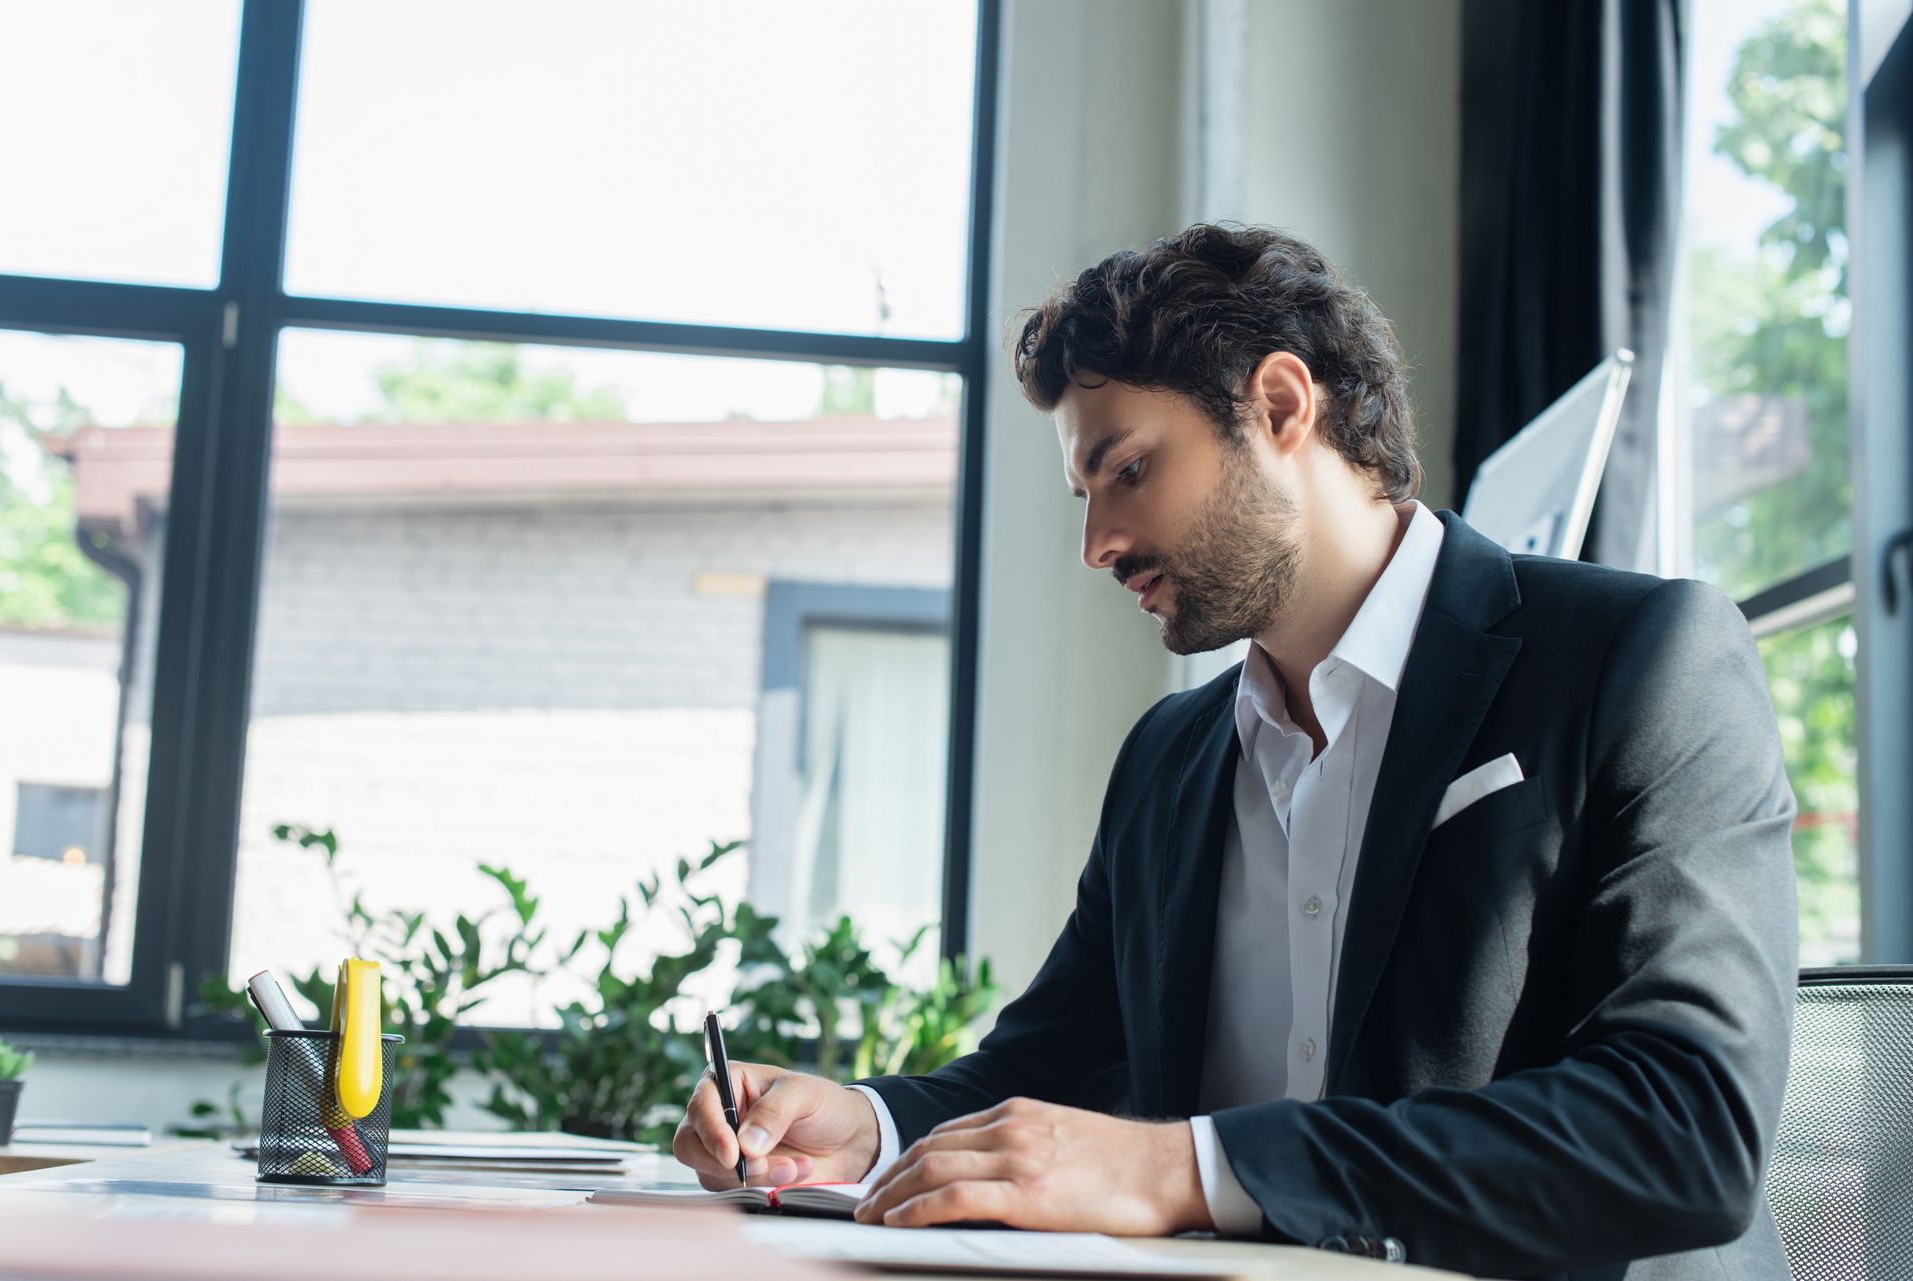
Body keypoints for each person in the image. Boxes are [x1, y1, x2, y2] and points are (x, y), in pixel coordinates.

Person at [672, 224, 1798, 1280]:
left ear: (1279, 404)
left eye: (1128, 469)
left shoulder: (1641, 659)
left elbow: (1686, 1128)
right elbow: (1050, 1067)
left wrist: (1192, 1169)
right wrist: (864, 1126)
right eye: (1085, 493)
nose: (1098, 542)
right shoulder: (1169, 758)